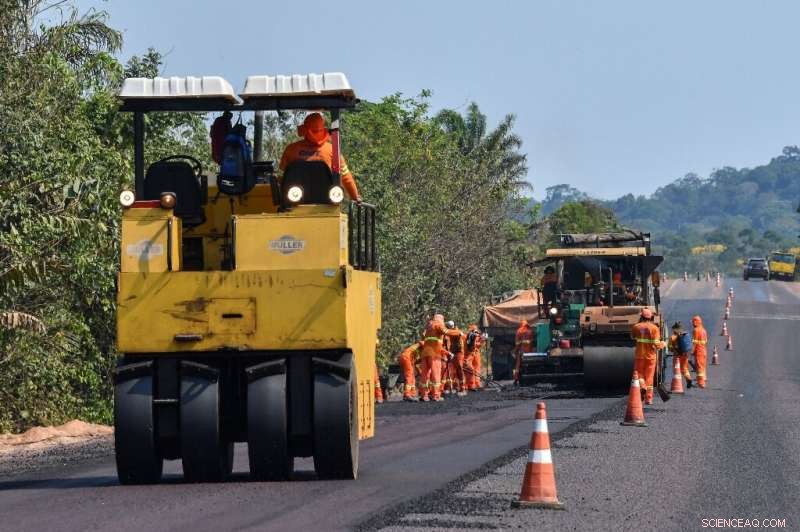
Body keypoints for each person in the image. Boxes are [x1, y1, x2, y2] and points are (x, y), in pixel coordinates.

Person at [278, 113, 361, 202]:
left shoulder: (291, 149)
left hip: (294, 200)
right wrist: (355, 197)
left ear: (304, 130)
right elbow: (346, 177)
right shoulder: (332, 150)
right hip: (326, 202)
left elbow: (283, 176)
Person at [630, 308, 665, 404]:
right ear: (651, 317)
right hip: (651, 357)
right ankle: (649, 399)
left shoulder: (636, 327)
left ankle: (643, 387)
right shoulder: (654, 328)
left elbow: (632, 337)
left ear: (641, 316)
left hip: (640, 355)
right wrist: (663, 344)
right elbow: (657, 344)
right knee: (649, 377)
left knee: (639, 374)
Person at [419, 314, 451, 402]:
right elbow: (447, 332)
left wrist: (447, 353)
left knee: (424, 375)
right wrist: (459, 332)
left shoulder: (429, 327)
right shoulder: (438, 325)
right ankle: (436, 395)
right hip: (434, 354)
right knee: (436, 375)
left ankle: (424, 395)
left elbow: (426, 338)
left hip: (425, 354)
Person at [444, 321, 467, 396]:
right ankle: (454, 387)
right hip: (453, 352)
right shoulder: (451, 333)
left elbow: (458, 333)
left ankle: (462, 388)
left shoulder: (456, 332)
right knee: (451, 370)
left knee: (459, 368)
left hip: (459, 353)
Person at [667, 321, 693, 389]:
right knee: (684, 368)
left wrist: (672, 349)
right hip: (685, 354)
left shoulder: (672, 337)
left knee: (676, 369)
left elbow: (670, 348)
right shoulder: (685, 334)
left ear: (674, 329)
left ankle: (677, 384)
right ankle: (688, 378)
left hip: (677, 356)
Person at [464, 324, 485, 391]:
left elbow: (479, 345)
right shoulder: (467, 336)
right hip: (469, 354)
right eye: (474, 331)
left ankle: (477, 383)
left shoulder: (478, 336)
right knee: (470, 369)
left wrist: (482, 340)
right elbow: (469, 345)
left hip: (476, 353)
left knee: (477, 369)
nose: (476, 332)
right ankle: (470, 385)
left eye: (476, 331)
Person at [513, 320, 534, 385]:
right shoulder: (530, 331)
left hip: (521, 352)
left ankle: (516, 379)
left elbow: (517, 344)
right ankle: (530, 379)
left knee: (518, 366)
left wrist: (515, 352)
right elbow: (532, 342)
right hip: (529, 352)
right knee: (530, 365)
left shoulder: (519, 331)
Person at [691, 315, 708, 388]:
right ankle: (703, 378)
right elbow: (705, 341)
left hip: (699, 351)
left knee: (699, 367)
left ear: (696, 322)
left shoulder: (696, 330)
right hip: (704, 350)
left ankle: (701, 383)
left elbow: (695, 342)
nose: (692, 324)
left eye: (693, 322)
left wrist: (692, 351)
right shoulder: (704, 330)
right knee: (702, 366)